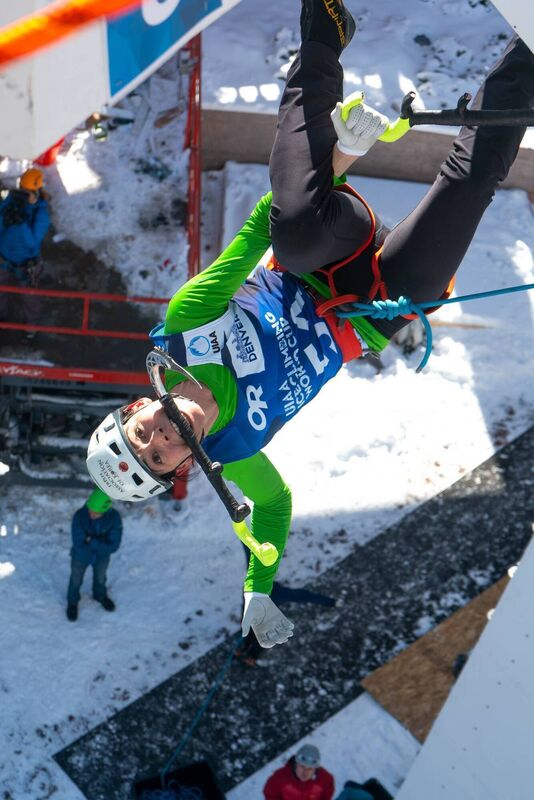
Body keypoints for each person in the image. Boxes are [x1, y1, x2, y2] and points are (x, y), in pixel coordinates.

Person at [86, 1, 534, 648]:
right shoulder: (235, 450)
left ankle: (324, 32)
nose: (160, 437)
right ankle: (527, 59)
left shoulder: (187, 327)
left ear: (138, 406)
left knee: (291, 235)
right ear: (180, 467)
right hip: (370, 310)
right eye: (158, 456)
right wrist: (258, 588)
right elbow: (272, 508)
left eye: (141, 432)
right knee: (465, 193)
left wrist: (341, 155)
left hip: (325, 247)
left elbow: (257, 228)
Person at [0, 167, 50, 331]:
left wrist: (20, 224)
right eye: (22, 190)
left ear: (37, 192)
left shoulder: (41, 214)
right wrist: (4, 217)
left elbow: (31, 243)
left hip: (27, 263)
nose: (24, 195)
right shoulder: (10, 203)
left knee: (29, 297)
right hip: (4, 258)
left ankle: (31, 327)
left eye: (28, 192)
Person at [66, 488, 122, 621]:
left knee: (100, 578)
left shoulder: (114, 519)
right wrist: (100, 544)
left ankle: (100, 595)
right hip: (81, 555)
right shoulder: (80, 516)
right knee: (75, 579)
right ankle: (72, 601)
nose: (91, 513)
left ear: (105, 510)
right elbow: (78, 542)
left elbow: (113, 546)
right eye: (90, 509)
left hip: (101, 557)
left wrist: (90, 540)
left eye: (96, 512)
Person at [264, 744, 334, 800]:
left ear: (316, 769)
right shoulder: (279, 778)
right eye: (302, 766)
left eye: (310, 769)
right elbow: (271, 795)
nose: (305, 772)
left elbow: (326, 797)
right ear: (296, 764)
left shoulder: (325, 780)